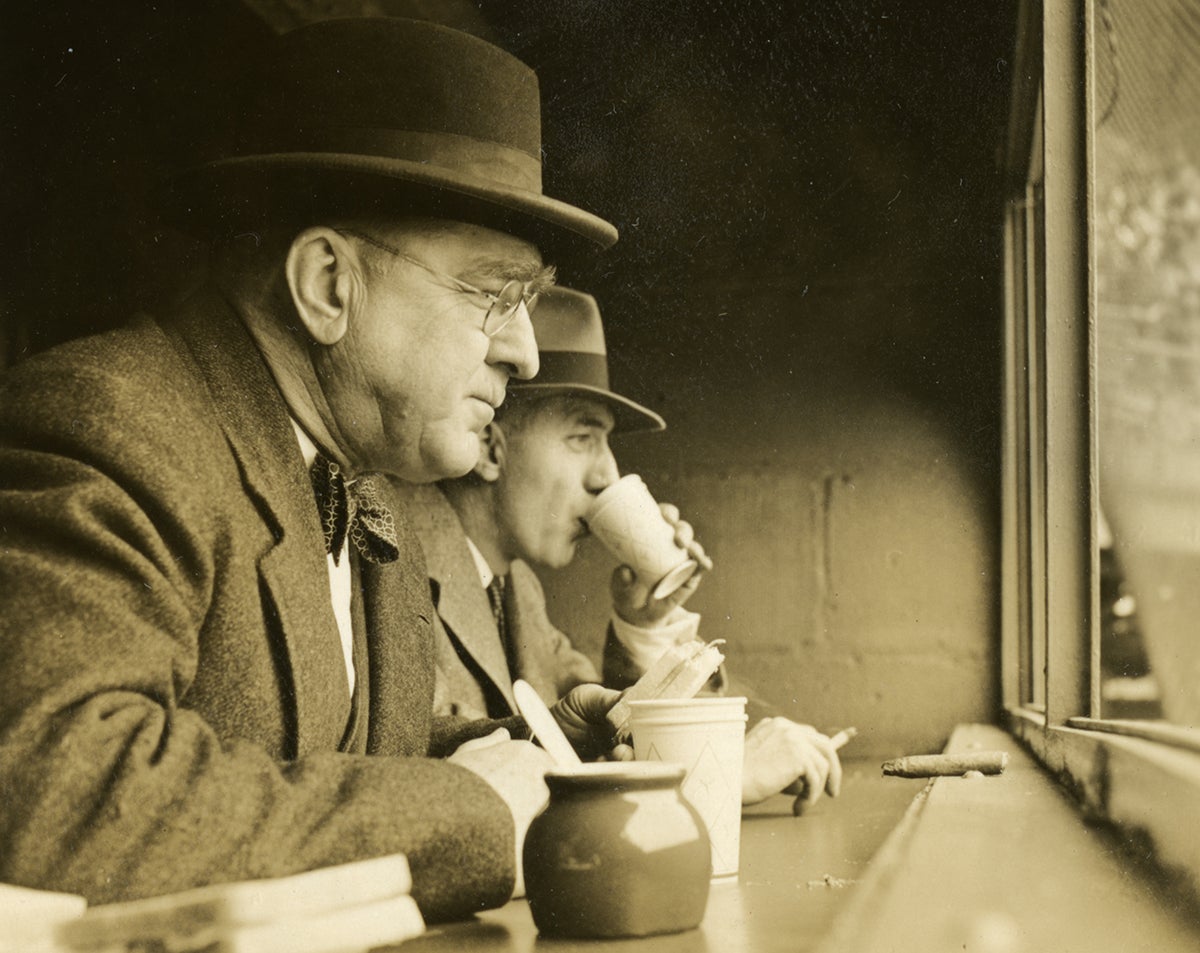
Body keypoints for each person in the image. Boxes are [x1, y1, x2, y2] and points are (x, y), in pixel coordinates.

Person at [0, 18, 623, 922]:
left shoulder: (365, 483)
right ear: (328, 284)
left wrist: (548, 752)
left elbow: (335, 754)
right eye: (496, 295)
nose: (524, 354)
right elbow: (60, 793)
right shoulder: (111, 420)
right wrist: (473, 809)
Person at [400, 287, 844, 811]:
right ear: (489, 447)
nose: (607, 474)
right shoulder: (393, 566)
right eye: (582, 438)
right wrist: (716, 778)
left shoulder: (516, 591)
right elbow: (422, 779)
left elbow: (601, 735)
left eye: (607, 442)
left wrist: (644, 624)